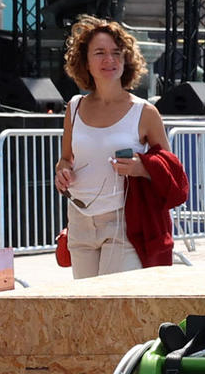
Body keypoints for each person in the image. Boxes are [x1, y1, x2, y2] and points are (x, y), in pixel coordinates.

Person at [53, 18, 171, 277]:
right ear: (85, 61)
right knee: (87, 309)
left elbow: (169, 170)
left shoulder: (145, 112)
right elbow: (65, 159)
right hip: (80, 220)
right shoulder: (74, 107)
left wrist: (142, 167)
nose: (110, 59)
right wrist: (61, 172)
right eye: (100, 53)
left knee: (116, 308)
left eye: (117, 53)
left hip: (124, 221)